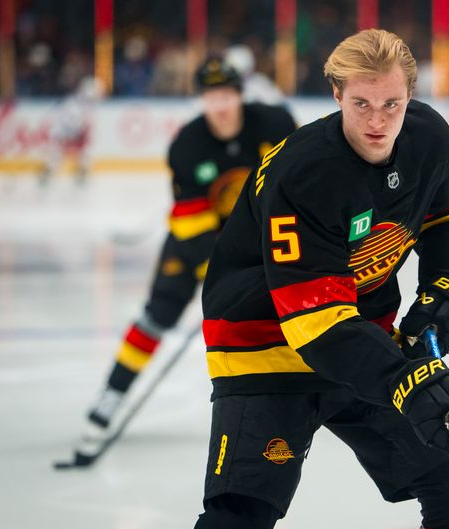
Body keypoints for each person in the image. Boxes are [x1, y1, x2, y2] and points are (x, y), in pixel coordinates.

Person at [193, 29, 449, 529]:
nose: (377, 121)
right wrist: (407, 381)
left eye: (391, 104)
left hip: (358, 335)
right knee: (242, 513)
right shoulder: (304, 172)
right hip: (264, 341)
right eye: (361, 103)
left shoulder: (428, 139)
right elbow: (314, 322)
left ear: (411, 97)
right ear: (336, 95)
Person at [77, 56, 296, 453]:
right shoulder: (188, 146)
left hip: (259, 242)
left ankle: (304, 391)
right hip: (197, 242)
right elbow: (192, 225)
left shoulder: (275, 124)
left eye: (227, 94)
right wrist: (227, 278)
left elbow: (296, 184)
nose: (221, 105)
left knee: (286, 310)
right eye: (212, 96)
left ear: (239, 94)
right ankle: (112, 393)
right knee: (157, 315)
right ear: (201, 100)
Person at [37, 75, 105, 186]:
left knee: (84, 155)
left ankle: (81, 175)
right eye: (97, 93)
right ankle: (46, 175)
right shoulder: (75, 104)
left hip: (69, 134)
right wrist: (78, 132)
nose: (99, 96)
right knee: (57, 158)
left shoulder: (83, 104)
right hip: (63, 134)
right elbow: (67, 122)